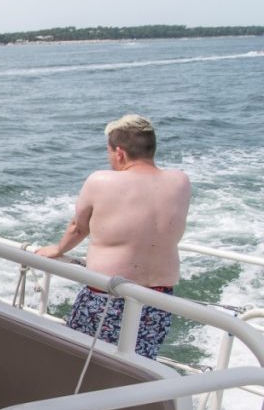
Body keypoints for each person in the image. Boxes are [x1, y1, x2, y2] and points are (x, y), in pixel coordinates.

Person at [36, 114, 191, 359]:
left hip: (107, 295)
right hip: (158, 297)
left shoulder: (101, 181)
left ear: (119, 153)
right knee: (137, 363)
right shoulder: (180, 182)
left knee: (84, 359)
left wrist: (57, 250)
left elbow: (78, 227)